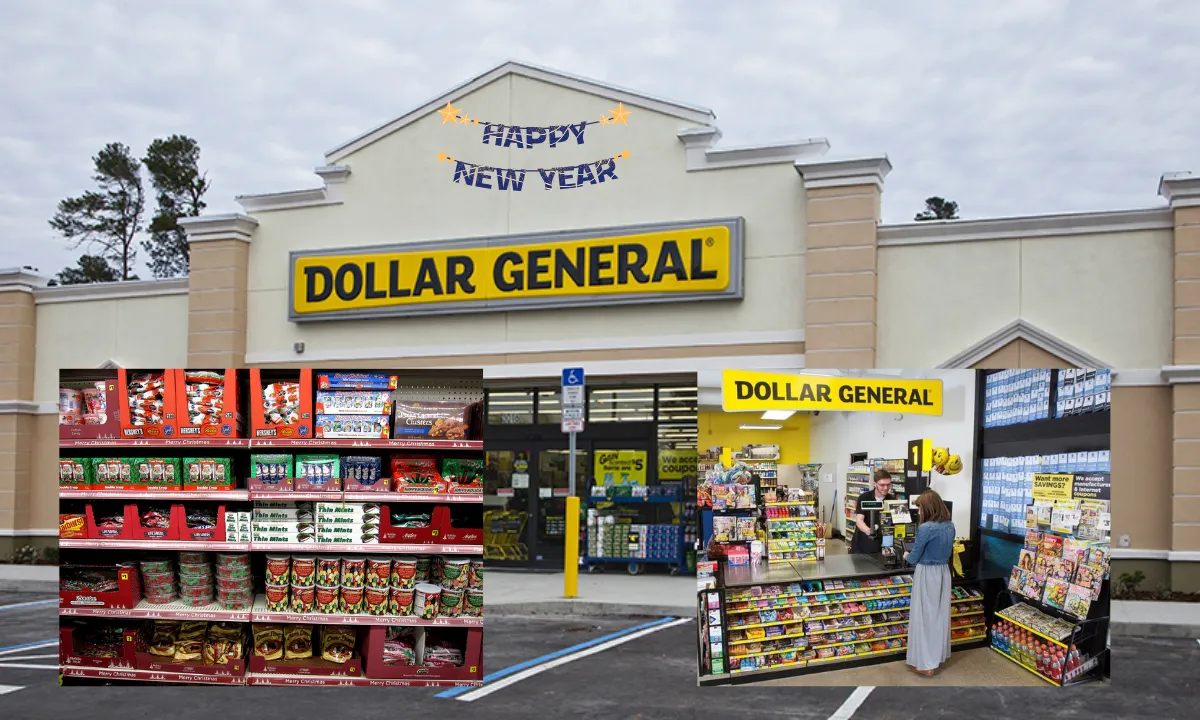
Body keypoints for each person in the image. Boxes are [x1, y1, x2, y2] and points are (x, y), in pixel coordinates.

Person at [904, 488, 957, 677]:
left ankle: (926, 664)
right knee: (938, 617)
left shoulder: (926, 528)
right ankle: (935, 658)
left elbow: (914, 557)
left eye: (919, 508)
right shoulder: (950, 526)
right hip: (943, 572)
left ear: (927, 508)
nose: (919, 512)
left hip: (926, 573)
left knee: (924, 618)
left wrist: (905, 554)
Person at [851, 469, 896, 554]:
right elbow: (859, 520)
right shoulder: (864, 498)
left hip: (884, 543)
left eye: (888, 484)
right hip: (864, 543)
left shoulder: (892, 500)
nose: (886, 488)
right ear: (874, 484)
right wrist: (868, 530)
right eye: (882, 485)